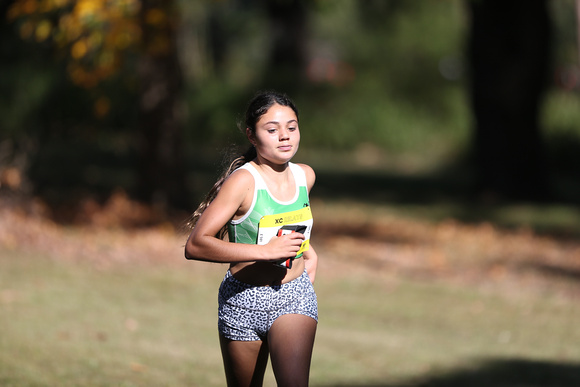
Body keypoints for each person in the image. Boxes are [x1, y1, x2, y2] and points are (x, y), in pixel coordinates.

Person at [184, 90, 319, 387]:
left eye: (292, 127)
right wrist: (265, 252)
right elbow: (195, 244)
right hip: (242, 299)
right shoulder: (243, 182)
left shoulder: (305, 176)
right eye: (272, 130)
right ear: (252, 136)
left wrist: (308, 252)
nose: (284, 136)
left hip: (293, 293)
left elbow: (291, 223)